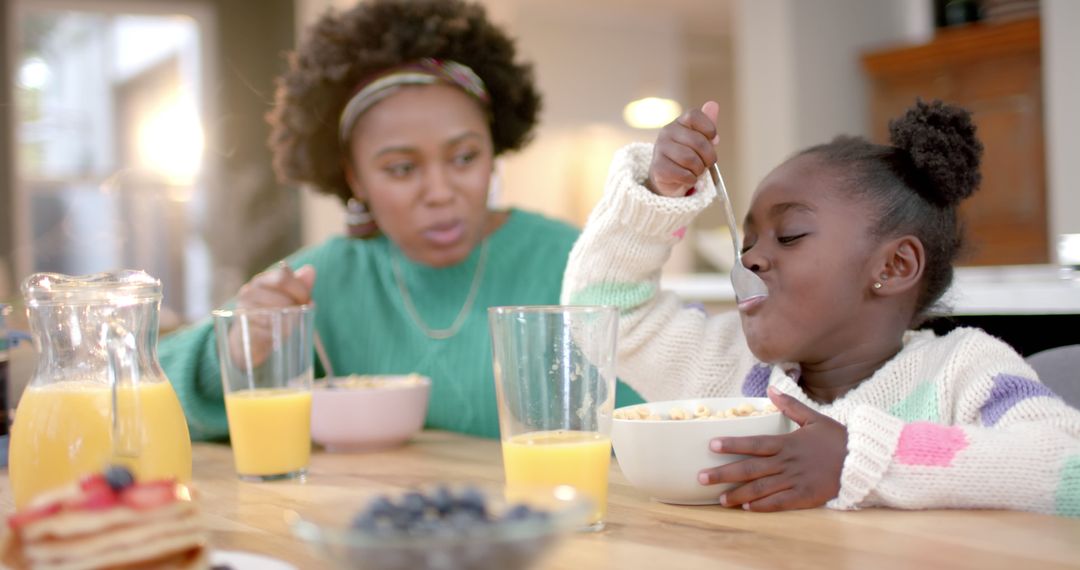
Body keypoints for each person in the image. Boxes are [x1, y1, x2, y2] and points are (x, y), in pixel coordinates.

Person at [561, 98, 1080, 516]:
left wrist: (861, 459)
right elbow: (603, 314)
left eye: (789, 235)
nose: (753, 258)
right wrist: (658, 194)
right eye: (747, 244)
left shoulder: (964, 371)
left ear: (894, 266)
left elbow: (1066, 468)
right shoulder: (730, 370)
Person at [159, 0, 643, 441]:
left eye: (464, 157)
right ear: (356, 178)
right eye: (402, 169)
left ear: (494, 153)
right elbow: (156, 395)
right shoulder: (321, 281)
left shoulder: (574, 263)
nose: (439, 192)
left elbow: (663, 411)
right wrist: (236, 348)